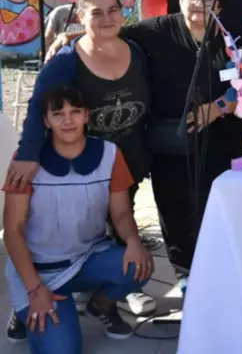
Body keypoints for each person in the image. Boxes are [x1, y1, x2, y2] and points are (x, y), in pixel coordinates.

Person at [37, 0, 242, 292]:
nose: (200, 4)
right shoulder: (158, 30)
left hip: (221, 136)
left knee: (216, 202)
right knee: (175, 205)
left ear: (219, 6)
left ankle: (220, 266)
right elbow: (112, 32)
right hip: (170, 139)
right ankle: (185, 273)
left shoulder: (230, 37)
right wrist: (70, 37)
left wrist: (217, 107)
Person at [6, 0, 155, 319]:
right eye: (96, 13)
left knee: (122, 221)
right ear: (80, 18)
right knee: (72, 226)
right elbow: (39, 105)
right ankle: (35, 290)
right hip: (80, 160)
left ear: (123, 13)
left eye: (113, 10)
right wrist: (28, 153)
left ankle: (111, 296)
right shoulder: (66, 60)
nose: (106, 18)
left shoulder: (137, 51)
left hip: (127, 157)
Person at [3, 85, 153, 353]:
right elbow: (12, 231)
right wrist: (34, 290)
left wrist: (133, 241)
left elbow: (120, 213)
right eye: (58, 114)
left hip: (87, 257)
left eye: (75, 111)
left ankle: (102, 305)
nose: (68, 120)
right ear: (45, 121)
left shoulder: (110, 154)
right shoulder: (25, 162)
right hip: (40, 271)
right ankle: (23, 307)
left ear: (86, 115)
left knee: (139, 265)